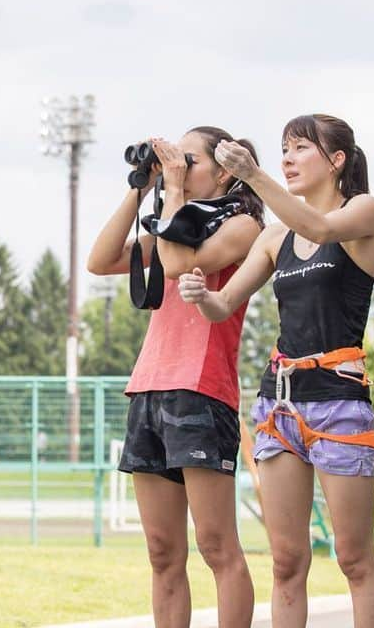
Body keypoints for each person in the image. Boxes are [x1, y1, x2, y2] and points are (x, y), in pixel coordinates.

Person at [179, 114, 374, 628]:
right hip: (280, 406)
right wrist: (200, 294)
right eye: (283, 150)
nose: (287, 159)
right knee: (287, 561)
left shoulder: (362, 211)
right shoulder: (274, 238)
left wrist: (252, 175)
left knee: (353, 558)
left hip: (339, 403)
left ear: (337, 160)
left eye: (300, 149)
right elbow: (224, 304)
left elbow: (317, 226)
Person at [88, 126, 265, 628]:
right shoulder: (171, 222)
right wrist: (139, 189)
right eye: (174, 159)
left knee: (216, 546)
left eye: (189, 160)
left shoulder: (244, 226)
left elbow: (180, 264)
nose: (178, 166)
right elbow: (100, 261)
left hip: (202, 390)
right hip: (148, 388)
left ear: (226, 170)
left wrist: (174, 193)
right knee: (163, 553)